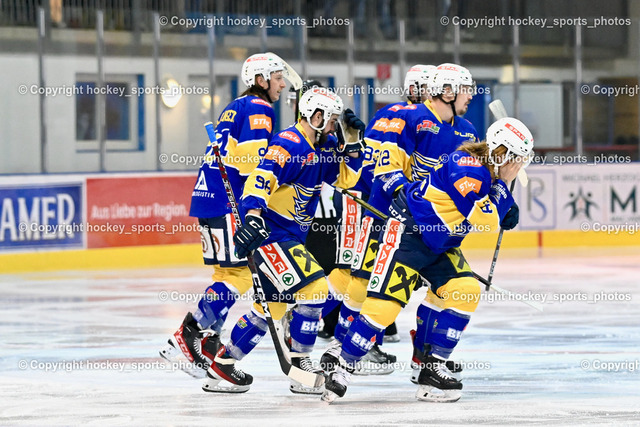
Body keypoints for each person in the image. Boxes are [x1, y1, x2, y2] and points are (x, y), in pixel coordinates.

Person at [321, 117, 534, 403]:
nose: (517, 164)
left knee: (465, 290)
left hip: (439, 243)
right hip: (408, 234)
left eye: (521, 159)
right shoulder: (467, 168)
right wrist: (503, 190)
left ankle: (431, 368)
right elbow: (484, 220)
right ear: (499, 151)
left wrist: (504, 200)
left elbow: (490, 206)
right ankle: (342, 367)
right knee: (384, 308)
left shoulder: (489, 171)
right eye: (515, 157)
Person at [203, 87, 363, 394]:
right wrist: (252, 216)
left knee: (270, 309)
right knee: (315, 289)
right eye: (332, 120)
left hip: (292, 236)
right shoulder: (288, 144)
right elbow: (260, 179)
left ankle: (222, 366)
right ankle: (301, 364)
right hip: (272, 234)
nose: (335, 127)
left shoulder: (326, 144)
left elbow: (346, 180)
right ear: (316, 116)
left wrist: (353, 146)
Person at [327, 63, 480, 376]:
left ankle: (427, 354)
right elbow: (384, 172)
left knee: (449, 286)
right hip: (386, 218)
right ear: (446, 91)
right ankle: (340, 347)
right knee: (363, 281)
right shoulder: (403, 116)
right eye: (465, 89)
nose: (471, 95)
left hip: (432, 227)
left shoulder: (467, 130)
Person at [159, 52, 293, 378]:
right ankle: (188, 332)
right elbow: (252, 163)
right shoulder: (260, 108)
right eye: (277, 78)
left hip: (208, 198)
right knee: (241, 276)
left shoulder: (236, 106)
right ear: (260, 80)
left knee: (226, 275)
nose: (282, 85)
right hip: (228, 199)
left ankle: (206, 342)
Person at [322, 64, 436, 376]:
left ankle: (348, 338)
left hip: (374, 203)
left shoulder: (390, 114)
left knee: (362, 275)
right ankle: (343, 341)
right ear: (417, 89)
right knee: (363, 277)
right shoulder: (414, 118)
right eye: (431, 88)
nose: (436, 94)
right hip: (382, 208)